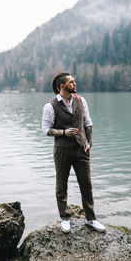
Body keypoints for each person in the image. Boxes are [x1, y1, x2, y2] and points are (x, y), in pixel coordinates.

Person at [42, 71, 106, 233]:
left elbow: (87, 122)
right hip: (62, 151)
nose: (75, 84)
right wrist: (64, 133)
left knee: (86, 184)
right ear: (62, 86)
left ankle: (91, 219)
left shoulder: (81, 100)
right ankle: (65, 218)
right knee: (61, 185)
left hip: (81, 150)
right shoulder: (50, 106)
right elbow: (45, 130)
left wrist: (90, 141)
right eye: (72, 82)